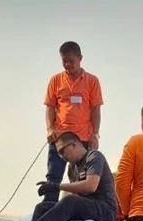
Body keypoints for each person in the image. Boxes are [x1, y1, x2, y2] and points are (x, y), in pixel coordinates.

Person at [7, 132, 118, 221]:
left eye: (62, 152)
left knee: (70, 201)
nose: (62, 157)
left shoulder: (94, 157)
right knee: (42, 207)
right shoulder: (72, 168)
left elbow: (91, 185)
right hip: (85, 207)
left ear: (74, 145)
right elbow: (75, 194)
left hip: (104, 209)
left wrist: (57, 186)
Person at [42, 41, 103, 211]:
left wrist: (95, 134)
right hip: (59, 138)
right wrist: (50, 128)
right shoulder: (56, 80)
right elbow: (50, 107)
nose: (68, 64)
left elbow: (96, 109)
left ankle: (78, 212)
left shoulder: (92, 81)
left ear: (80, 58)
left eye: (71, 61)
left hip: (82, 139)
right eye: (64, 61)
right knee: (53, 175)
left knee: (81, 179)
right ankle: (47, 210)